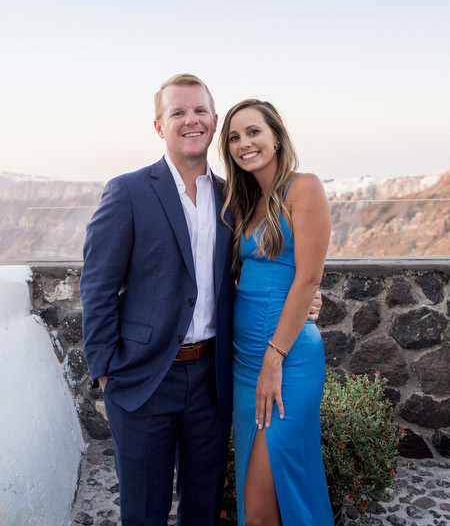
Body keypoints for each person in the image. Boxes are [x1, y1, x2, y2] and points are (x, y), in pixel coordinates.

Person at [81, 74, 321, 526]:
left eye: (199, 112)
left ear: (212, 122)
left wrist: (305, 296)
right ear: (159, 126)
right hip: (144, 379)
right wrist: (107, 373)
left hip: (214, 379)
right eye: (178, 112)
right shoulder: (128, 191)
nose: (190, 120)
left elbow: (255, 269)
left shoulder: (233, 197)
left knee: (204, 506)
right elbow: (96, 288)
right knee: (144, 511)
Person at [219, 99, 333, 526]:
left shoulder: (304, 187)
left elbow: (308, 279)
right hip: (243, 360)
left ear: (277, 137)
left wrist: (274, 358)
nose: (244, 143)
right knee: (257, 500)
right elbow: (240, 278)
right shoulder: (245, 201)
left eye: (253, 132)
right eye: (233, 137)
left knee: (266, 495)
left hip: (286, 359)